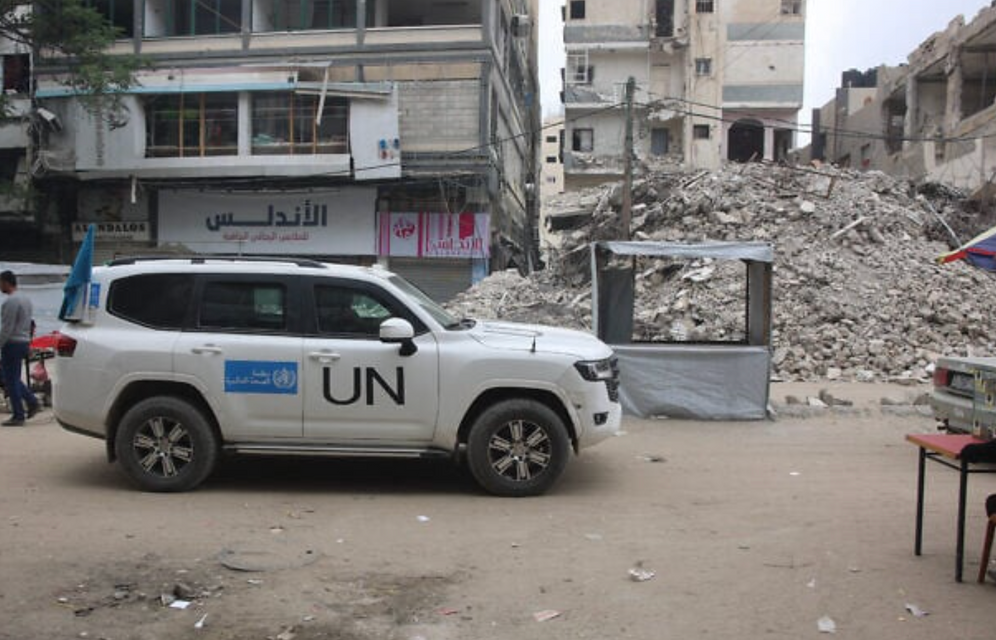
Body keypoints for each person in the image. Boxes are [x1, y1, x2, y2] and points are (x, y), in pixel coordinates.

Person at [0, 270, 39, 426]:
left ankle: (18, 415)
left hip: (12, 343)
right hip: (23, 341)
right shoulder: (25, 299)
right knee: (13, 378)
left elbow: (7, 327)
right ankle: (32, 402)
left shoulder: (11, 301)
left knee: (10, 380)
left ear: (6, 282)